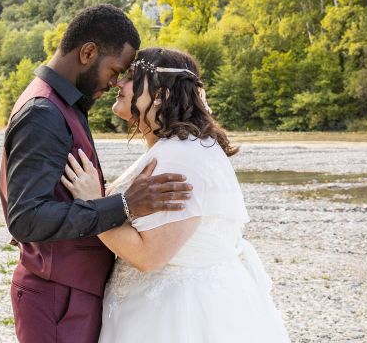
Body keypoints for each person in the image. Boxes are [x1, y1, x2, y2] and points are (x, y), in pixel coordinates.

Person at [62, 47, 291, 342]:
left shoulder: (180, 156)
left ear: (160, 94)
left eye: (132, 77)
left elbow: (150, 256)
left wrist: (92, 204)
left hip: (175, 315)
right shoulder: (179, 147)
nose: (119, 83)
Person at [0, 5, 193, 343]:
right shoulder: (43, 112)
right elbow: (25, 218)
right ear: (88, 53)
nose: (117, 81)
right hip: (58, 297)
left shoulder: (64, 104)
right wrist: (123, 205)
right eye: (115, 69)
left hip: (69, 293)